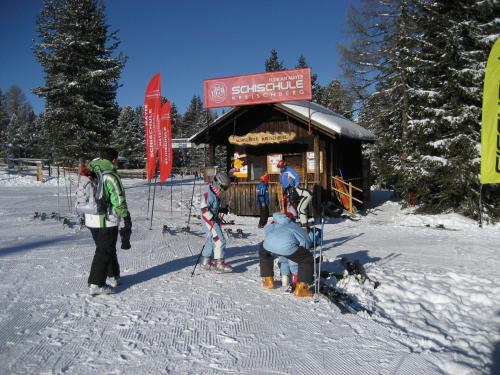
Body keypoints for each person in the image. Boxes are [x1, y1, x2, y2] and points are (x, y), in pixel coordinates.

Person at [86, 148, 132, 295]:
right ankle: (96, 284)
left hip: (90, 217)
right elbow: (118, 199)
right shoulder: (110, 176)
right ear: (113, 160)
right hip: (106, 219)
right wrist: (125, 216)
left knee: (106, 248)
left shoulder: (91, 171)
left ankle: (113, 276)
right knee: (104, 251)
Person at [259, 212, 314, 297]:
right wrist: (304, 250)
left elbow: (266, 229)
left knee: (264, 254)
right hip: (286, 247)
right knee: (307, 259)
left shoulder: (276, 224)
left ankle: (268, 280)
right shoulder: (294, 226)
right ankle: (302, 289)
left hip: (268, 244)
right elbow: (306, 241)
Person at [199, 171, 233, 273]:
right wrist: (212, 219)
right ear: (218, 184)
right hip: (208, 220)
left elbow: (212, 207)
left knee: (210, 240)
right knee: (220, 240)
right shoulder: (209, 194)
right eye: (224, 188)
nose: (225, 191)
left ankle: (205, 262)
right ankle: (219, 263)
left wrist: (222, 210)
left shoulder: (215, 193)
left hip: (210, 219)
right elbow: (204, 209)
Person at [277, 160, 312, 227]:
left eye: (281, 167)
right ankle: (292, 218)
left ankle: (297, 218)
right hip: (286, 189)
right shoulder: (281, 173)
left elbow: (296, 177)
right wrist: (282, 186)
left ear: (284, 166)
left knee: (293, 202)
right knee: (287, 204)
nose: (280, 168)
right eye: (279, 167)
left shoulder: (289, 170)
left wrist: (296, 184)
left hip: (292, 188)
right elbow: (281, 181)